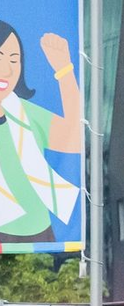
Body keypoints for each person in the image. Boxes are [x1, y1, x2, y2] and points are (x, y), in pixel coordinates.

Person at [0, 23, 82, 244]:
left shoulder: (26, 114)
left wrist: (64, 70)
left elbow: (74, 139)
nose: (7, 70)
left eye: (14, 60)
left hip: (36, 235)